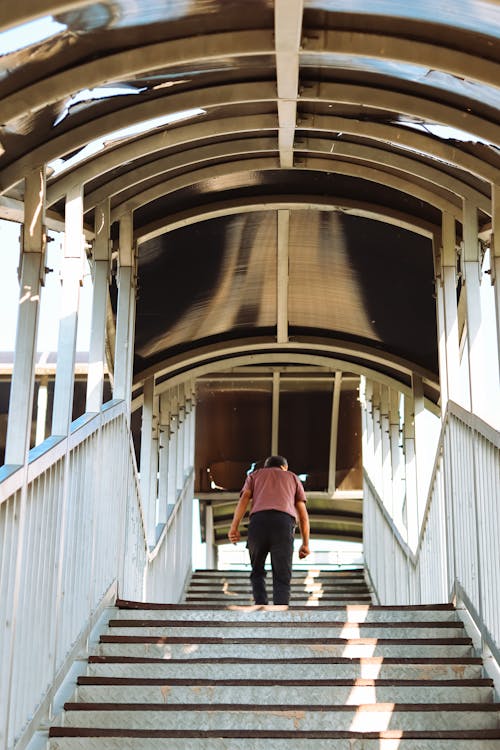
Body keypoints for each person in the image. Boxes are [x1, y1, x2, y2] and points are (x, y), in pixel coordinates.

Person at [227, 455, 310, 606]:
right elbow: (303, 515)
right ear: (284, 467)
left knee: (257, 569)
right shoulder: (292, 477)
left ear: (266, 467)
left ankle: (260, 604)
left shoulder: (255, 475)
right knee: (282, 574)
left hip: (258, 523)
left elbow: (244, 497)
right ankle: (281, 609)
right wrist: (305, 544)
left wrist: (234, 527)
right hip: (283, 524)